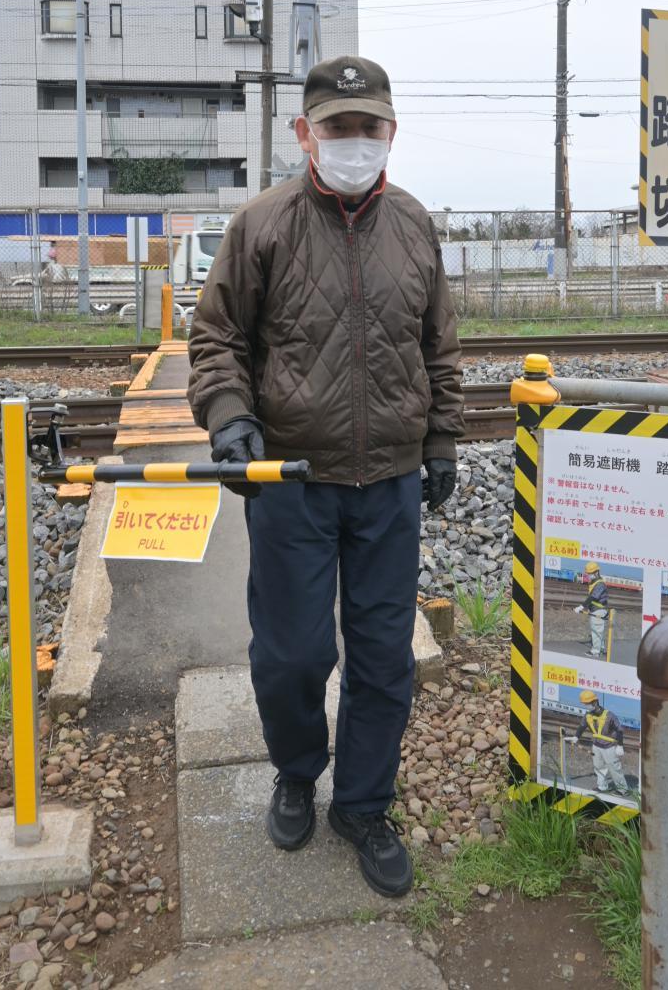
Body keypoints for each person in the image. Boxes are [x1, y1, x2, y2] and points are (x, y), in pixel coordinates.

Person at [186, 55, 464, 899]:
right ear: (304, 132)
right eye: (336, 126)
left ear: (390, 131)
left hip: (387, 481)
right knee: (292, 654)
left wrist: (443, 440)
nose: (353, 141)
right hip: (293, 480)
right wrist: (230, 417)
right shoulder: (261, 224)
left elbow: (438, 348)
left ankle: (364, 806)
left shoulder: (414, 225)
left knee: (384, 659)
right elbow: (217, 339)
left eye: (367, 126)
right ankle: (297, 770)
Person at [565, 689, 630, 796]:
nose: (587, 706)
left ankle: (623, 790)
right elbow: (582, 726)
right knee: (598, 766)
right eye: (585, 704)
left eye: (588, 704)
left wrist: (620, 745)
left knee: (614, 768)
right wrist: (576, 737)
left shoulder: (610, 715)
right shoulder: (588, 715)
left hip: (609, 746)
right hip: (596, 745)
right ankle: (602, 786)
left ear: (595, 702)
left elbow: (619, 730)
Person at [573, 561, 612, 659]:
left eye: (590, 574)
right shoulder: (595, 582)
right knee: (599, 631)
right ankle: (602, 649)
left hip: (598, 610)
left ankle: (595, 651)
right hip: (596, 610)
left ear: (596, 572)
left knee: (596, 631)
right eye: (588, 574)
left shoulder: (599, 584)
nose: (588, 576)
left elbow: (593, 597)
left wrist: (581, 607)